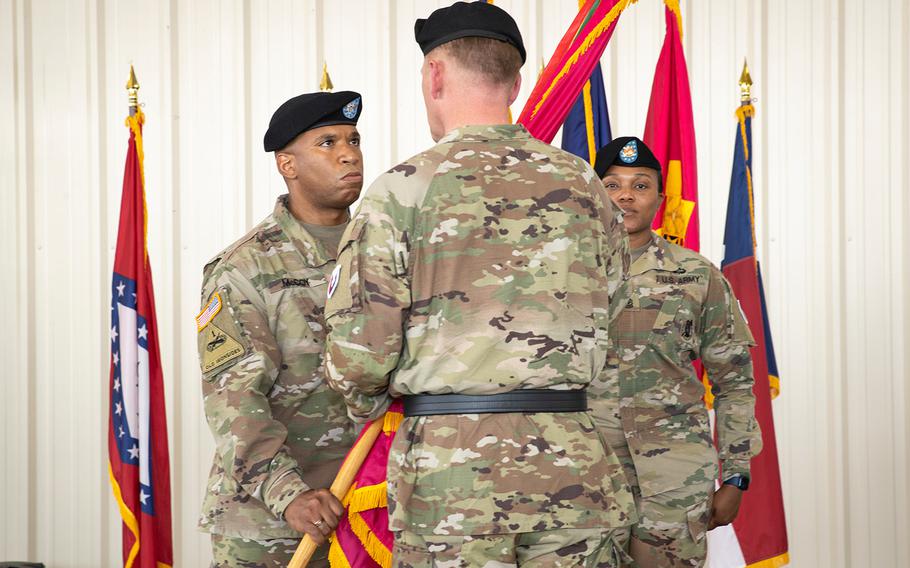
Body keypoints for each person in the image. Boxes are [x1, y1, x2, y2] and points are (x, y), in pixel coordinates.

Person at [323, 2, 636, 566]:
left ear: (435, 74)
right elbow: (618, 308)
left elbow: (359, 354)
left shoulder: (403, 191)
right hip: (573, 462)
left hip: (451, 473)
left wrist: (377, 401)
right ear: (515, 82)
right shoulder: (584, 184)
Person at [196, 91, 365, 567]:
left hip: (370, 510)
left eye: (353, 140)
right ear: (287, 165)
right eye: (327, 142)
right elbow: (234, 400)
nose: (349, 153)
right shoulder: (243, 268)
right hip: (272, 524)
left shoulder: (385, 253)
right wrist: (290, 495)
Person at [589, 136, 763, 567]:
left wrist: (735, 474)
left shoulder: (697, 275)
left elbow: (735, 383)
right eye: (611, 184)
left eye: (640, 185)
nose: (625, 195)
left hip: (674, 480)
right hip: (585, 478)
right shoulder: (563, 274)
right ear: (592, 195)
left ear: (660, 199)